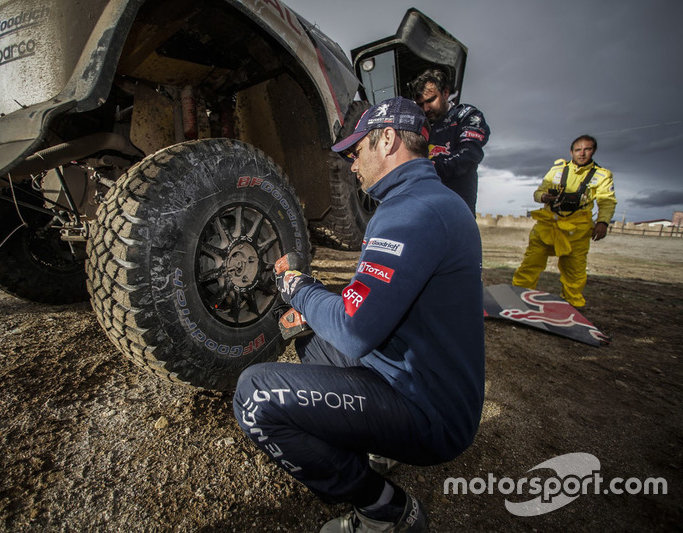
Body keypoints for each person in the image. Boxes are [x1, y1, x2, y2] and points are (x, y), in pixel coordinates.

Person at [233, 97, 485, 532]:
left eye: (356, 151)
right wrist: (313, 307)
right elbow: (367, 306)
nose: (352, 165)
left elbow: (352, 328)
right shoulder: (427, 199)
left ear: (387, 139)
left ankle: (384, 509)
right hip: (423, 381)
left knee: (253, 395)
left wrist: (297, 287)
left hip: (430, 413)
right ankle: (378, 445)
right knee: (311, 334)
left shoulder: (412, 212)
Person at [512, 135, 617, 308]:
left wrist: (603, 222)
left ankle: (572, 305)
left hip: (577, 231)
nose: (582, 154)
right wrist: (545, 196)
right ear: (571, 151)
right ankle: (517, 298)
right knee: (530, 263)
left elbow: (607, 201)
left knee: (574, 271)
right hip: (547, 226)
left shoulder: (602, 176)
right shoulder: (557, 171)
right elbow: (538, 193)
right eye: (578, 150)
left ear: (593, 151)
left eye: (587, 149)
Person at [411, 69, 490, 213]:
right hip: (424, 207)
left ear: (445, 93)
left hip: (458, 206)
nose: (426, 108)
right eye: (421, 104)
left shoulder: (466, 115)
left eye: (430, 100)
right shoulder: (419, 125)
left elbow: (470, 154)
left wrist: (432, 168)